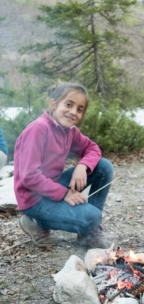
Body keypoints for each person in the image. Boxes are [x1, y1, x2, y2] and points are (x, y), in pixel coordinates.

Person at [14, 82, 113, 248]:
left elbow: (93, 148)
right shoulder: (38, 129)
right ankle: (37, 224)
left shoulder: (69, 131)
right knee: (92, 216)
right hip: (34, 199)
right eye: (68, 105)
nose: (73, 112)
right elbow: (28, 177)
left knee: (103, 168)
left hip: (53, 186)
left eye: (80, 109)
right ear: (53, 104)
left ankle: (88, 233)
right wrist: (65, 194)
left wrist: (82, 166)